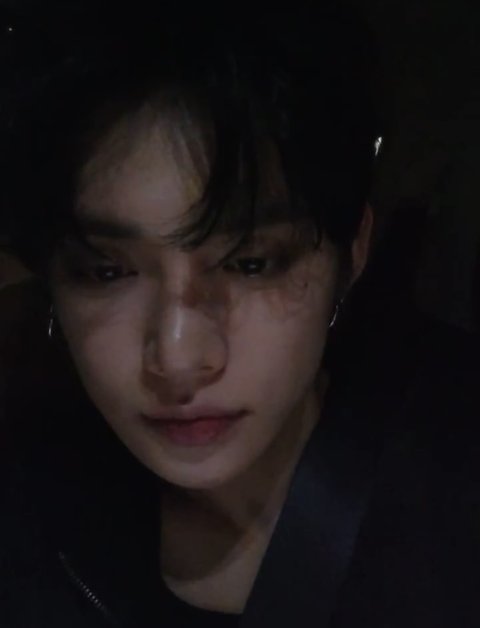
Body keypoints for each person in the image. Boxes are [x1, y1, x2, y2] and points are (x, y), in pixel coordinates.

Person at [1, 4, 479, 627]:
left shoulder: (450, 503)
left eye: (251, 263)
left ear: (352, 253)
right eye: (105, 270)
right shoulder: (29, 509)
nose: (178, 358)